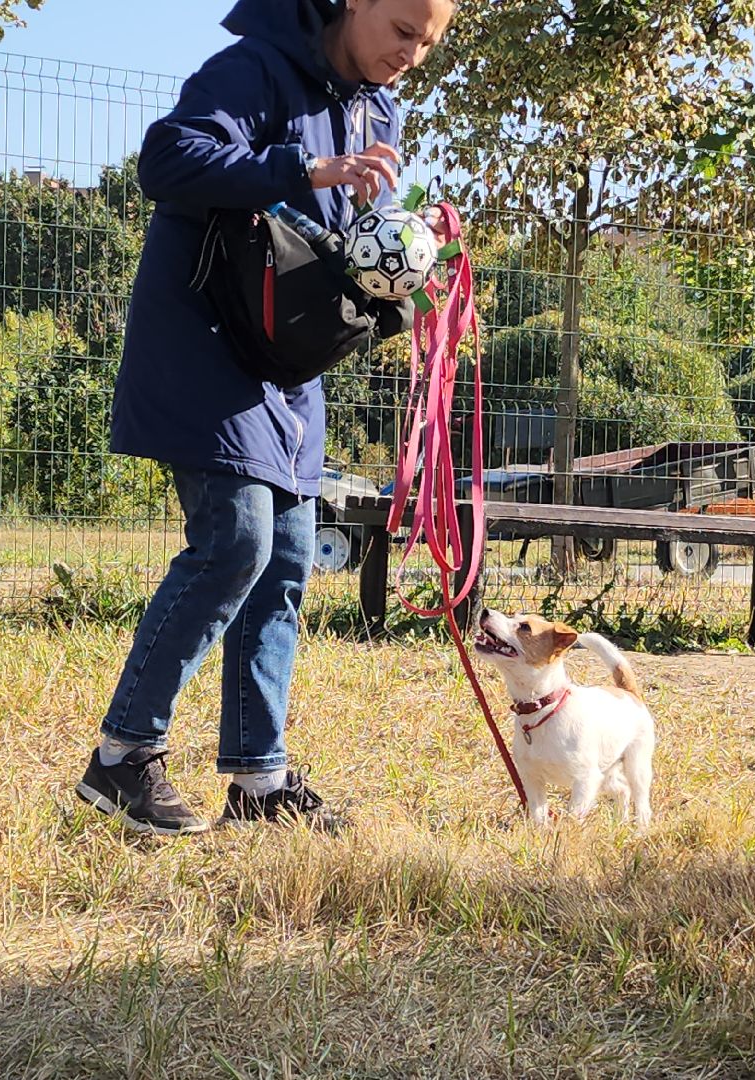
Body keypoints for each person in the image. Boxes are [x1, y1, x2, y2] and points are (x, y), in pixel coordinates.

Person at [74, 0, 458, 836]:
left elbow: (339, 238)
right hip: (207, 345)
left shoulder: (376, 107)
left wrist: (400, 243)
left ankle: (259, 779)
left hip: (288, 369)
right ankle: (121, 758)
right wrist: (302, 169)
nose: (412, 55)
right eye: (403, 30)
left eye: (428, 43)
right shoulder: (253, 67)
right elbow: (168, 159)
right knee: (236, 542)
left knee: (285, 557)